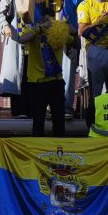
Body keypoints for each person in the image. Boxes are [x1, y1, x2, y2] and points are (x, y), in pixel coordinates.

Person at [15, 9, 74, 137]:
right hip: (37, 83)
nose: (50, 25)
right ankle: (38, 150)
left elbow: (75, 41)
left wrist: (69, 27)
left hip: (56, 81)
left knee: (59, 120)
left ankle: (59, 149)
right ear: (41, 22)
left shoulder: (58, 32)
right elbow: (22, 39)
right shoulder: (34, 31)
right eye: (47, 22)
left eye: (51, 22)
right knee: (38, 120)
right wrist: (40, 29)